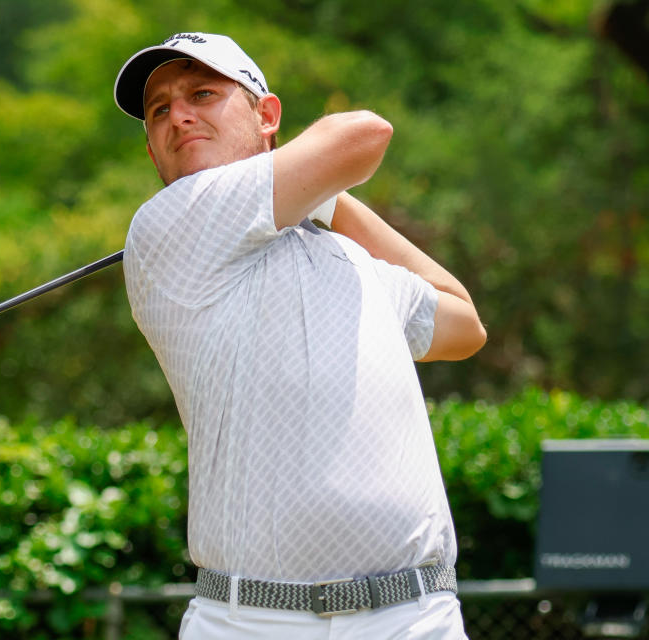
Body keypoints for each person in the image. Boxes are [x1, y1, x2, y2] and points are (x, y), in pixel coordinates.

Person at [113, 32, 487, 639]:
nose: (178, 115)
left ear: (267, 116)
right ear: (155, 154)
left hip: (413, 618)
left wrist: (324, 200)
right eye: (160, 110)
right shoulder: (170, 224)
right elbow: (362, 135)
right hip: (251, 621)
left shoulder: (349, 260)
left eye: (202, 94)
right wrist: (314, 183)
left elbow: (463, 323)